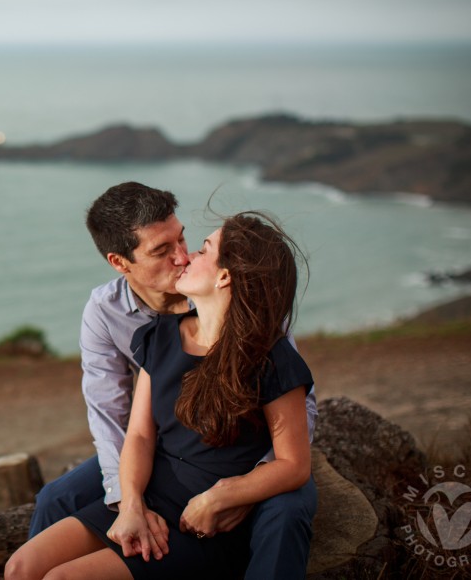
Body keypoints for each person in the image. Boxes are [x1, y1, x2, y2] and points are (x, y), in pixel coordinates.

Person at [26, 182, 317, 579]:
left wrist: (246, 485)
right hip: (164, 452)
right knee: (54, 500)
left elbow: (299, 413)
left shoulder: (251, 305)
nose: (182, 257)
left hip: (243, 452)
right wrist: (129, 503)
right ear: (120, 262)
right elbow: (116, 419)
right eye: (162, 251)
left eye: (184, 240)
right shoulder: (113, 316)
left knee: (285, 508)